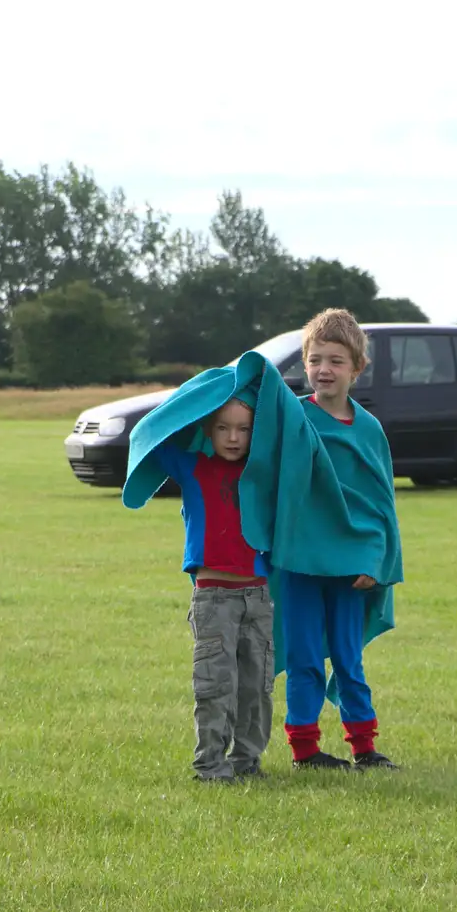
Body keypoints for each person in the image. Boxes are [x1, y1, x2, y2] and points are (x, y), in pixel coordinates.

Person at [280, 308, 403, 772]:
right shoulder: (293, 417)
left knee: (349, 660)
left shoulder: (368, 429)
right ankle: (305, 750)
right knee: (306, 657)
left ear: (357, 369)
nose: (323, 370)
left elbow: (380, 503)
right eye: (314, 360)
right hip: (301, 562)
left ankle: (364, 746)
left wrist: (376, 561)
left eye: (335, 360)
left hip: (351, 569)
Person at [150, 397, 274, 783]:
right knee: (216, 684)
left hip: (259, 596)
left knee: (257, 686)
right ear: (208, 430)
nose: (234, 438)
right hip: (213, 597)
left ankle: (247, 763)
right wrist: (204, 399)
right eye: (223, 428)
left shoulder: (265, 473)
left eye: (244, 429)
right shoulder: (193, 468)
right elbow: (154, 433)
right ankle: (211, 765)